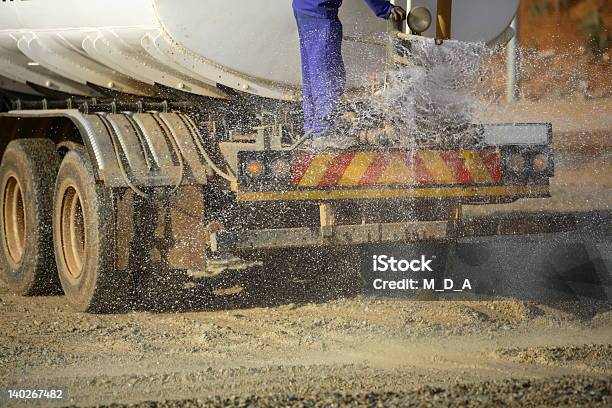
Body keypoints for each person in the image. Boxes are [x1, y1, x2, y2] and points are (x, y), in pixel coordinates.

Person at [293, 0, 406, 150]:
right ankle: (324, 134)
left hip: (304, 7)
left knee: (313, 72)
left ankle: (312, 130)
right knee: (329, 76)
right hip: (321, 12)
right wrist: (385, 9)